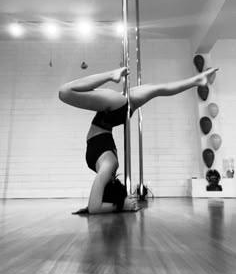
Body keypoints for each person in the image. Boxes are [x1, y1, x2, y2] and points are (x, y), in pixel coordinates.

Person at [58, 66, 218, 214]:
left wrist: (120, 205)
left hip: (113, 114)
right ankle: (110, 75)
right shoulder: (108, 166)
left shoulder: (107, 168)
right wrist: (120, 206)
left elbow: (94, 206)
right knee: (65, 92)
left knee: (158, 88)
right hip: (112, 112)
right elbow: (94, 208)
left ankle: (197, 80)